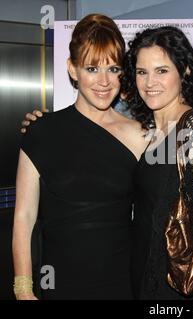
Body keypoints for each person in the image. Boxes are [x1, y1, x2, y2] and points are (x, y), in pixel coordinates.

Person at [13, 14, 147, 300]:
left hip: (119, 283)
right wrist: (23, 290)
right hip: (56, 282)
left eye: (113, 69)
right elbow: (24, 218)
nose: (103, 81)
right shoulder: (41, 132)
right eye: (91, 68)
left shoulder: (142, 136)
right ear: (72, 69)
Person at [119, 26, 193, 300]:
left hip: (178, 289)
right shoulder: (150, 130)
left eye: (162, 70)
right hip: (145, 280)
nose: (150, 82)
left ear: (184, 70)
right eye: (142, 72)